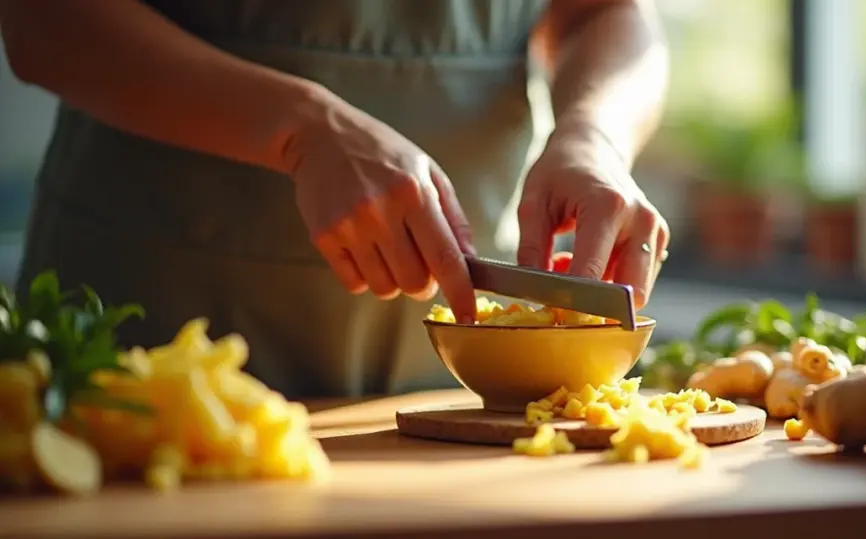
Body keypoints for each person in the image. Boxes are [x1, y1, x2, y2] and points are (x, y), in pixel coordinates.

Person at [0, 0, 671, 399]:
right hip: (147, 330)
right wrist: (299, 128)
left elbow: (605, 12)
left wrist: (595, 135)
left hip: (449, 373)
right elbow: (42, 22)